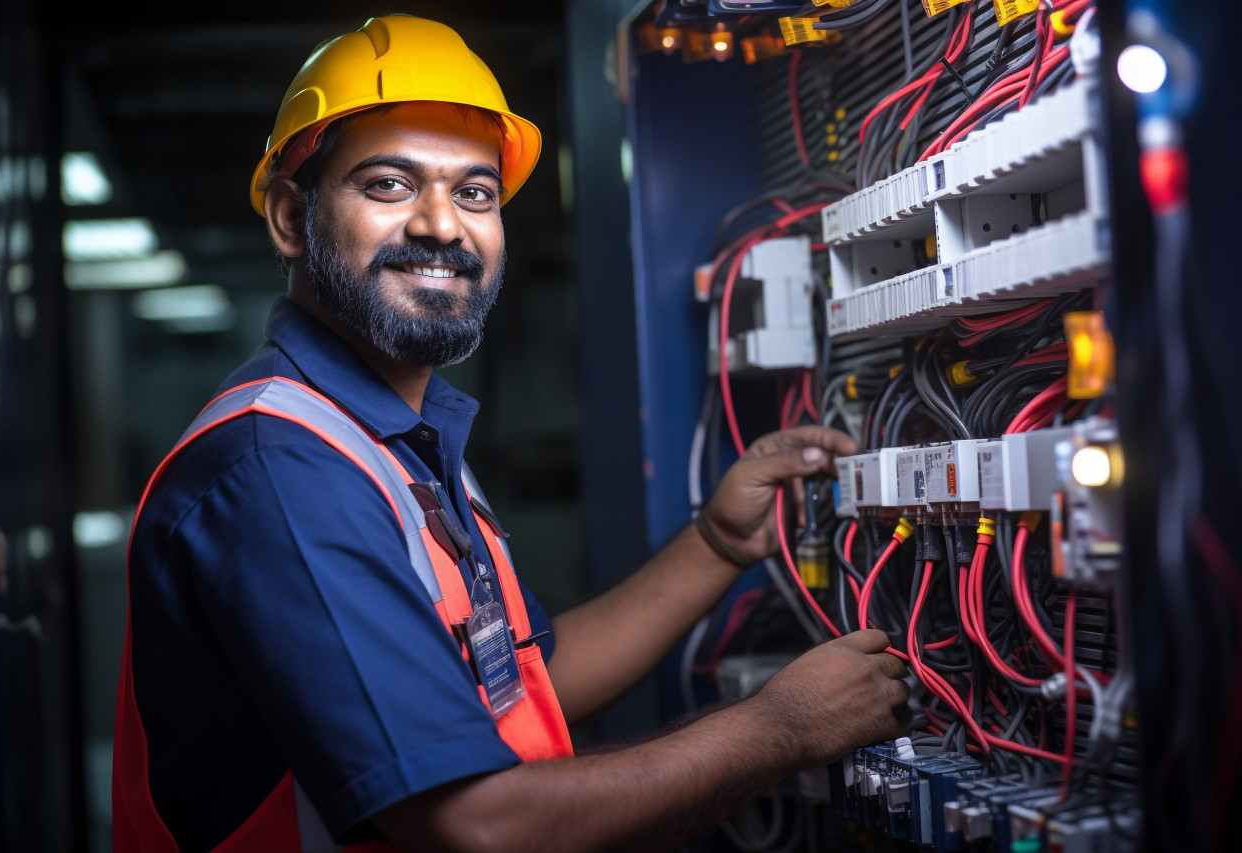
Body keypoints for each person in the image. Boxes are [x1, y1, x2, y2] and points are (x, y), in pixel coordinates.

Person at [113, 14, 910, 853]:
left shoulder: (389, 437)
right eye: (389, 184)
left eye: (475, 192)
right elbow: (477, 824)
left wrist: (717, 539)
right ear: (288, 216)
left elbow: (529, 678)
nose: (441, 225)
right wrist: (781, 729)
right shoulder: (280, 468)